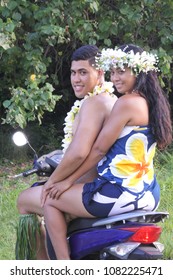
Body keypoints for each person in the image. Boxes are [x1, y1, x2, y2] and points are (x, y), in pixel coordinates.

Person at [42, 44, 172, 260]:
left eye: (122, 71)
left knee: (50, 200)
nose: (116, 77)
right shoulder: (151, 102)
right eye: (113, 72)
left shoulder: (126, 103)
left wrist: (67, 180)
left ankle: (63, 269)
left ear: (137, 71)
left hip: (119, 192)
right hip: (149, 194)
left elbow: (99, 149)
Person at [16, 45, 117, 259]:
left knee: (24, 200)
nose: (76, 79)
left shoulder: (93, 102)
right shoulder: (109, 100)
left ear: (99, 73)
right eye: (73, 72)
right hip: (99, 182)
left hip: (89, 186)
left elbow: (79, 152)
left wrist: (55, 181)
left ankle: (53, 267)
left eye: (83, 72)